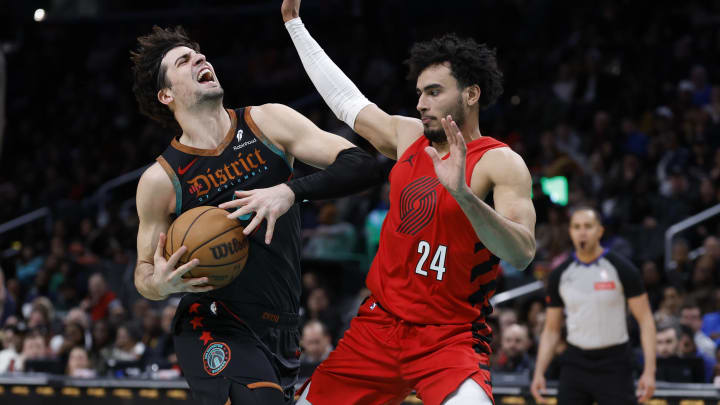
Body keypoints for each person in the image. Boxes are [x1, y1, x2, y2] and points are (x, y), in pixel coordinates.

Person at [281, 2, 536, 404]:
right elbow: (347, 103)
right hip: (379, 326)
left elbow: (521, 253)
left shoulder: (499, 161)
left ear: (470, 94)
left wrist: (465, 197)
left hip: (449, 337)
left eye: (434, 92)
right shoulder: (408, 136)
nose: (421, 103)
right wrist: (295, 26)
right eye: (419, 93)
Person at [130, 26, 384, 405]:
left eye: (199, 54)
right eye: (183, 60)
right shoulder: (161, 179)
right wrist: (161, 286)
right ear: (166, 94)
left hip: (281, 325)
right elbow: (144, 273)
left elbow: (362, 165)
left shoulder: (267, 123)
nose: (200, 59)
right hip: (212, 321)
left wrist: (289, 191)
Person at [531, 207, 656, 404]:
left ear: (600, 231)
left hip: (614, 363)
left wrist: (649, 371)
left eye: (588, 226)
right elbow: (552, 329)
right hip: (575, 362)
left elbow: (646, 320)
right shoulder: (559, 275)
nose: (582, 232)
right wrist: (539, 372)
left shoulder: (622, 268)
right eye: (577, 227)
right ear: (570, 232)